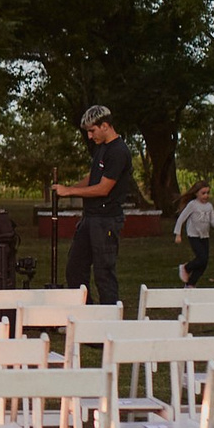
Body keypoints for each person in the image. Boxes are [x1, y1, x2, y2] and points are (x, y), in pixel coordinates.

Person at [52, 104, 135, 304]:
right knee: (75, 269)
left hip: (106, 220)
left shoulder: (118, 152)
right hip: (90, 218)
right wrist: (65, 189)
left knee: (103, 273)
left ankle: (109, 318)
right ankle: (86, 314)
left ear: (105, 125)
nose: (90, 136)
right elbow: (93, 178)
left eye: (92, 130)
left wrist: (70, 191)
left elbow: (103, 188)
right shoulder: (102, 148)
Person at [173, 180, 214, 285]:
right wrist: (178, 234)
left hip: (205, 236)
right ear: (196, 193)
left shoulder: (209, 206)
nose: (206, 196)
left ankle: (190, 284)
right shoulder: (192, 205)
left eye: (208, 193)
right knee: (201, 258)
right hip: (194, 235)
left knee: (204, 263)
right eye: (203, 193)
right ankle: (185, 267)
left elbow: (213, 221)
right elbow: (181, 219)